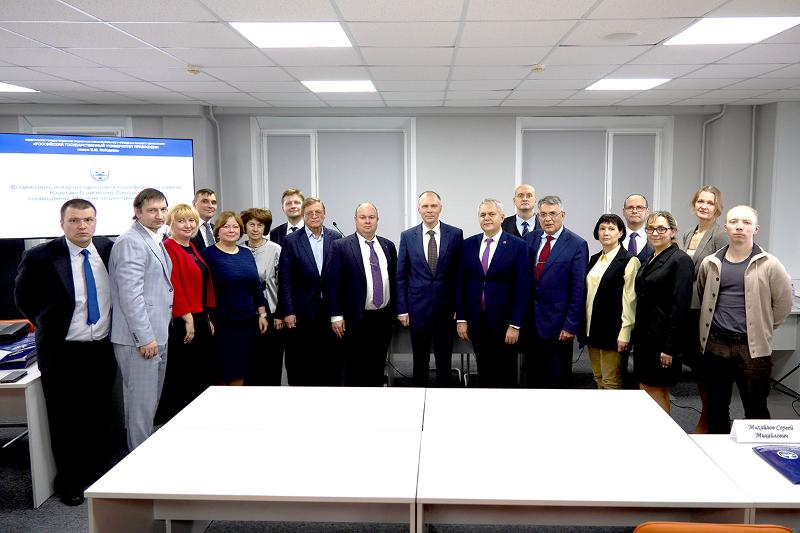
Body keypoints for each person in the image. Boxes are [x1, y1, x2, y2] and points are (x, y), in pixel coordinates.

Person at [14, 198, 116, 506]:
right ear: (62, 223)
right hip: (62, 352)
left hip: (101, 348)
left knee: (99, 414)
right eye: (74, 220)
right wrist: (48, 323)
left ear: (95, 222)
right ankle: (70, 482)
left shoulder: (107, 249)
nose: (82, 226)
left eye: (88, 220)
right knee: (65, 419)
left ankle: (99, 475)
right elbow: (24, 299)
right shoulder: (40, 257)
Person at [698, 205, 793, 434]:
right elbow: (704, 295)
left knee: (756, 407)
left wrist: (762, 328)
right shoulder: (710, 262)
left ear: (755, 229)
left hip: (752, 347)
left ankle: (760, 452)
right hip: (716, 344)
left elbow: (783, 304)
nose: (739, 226)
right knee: (716, 407)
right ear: (726, 227)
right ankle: (718, 449)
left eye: (746, 222)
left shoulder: (770, 264)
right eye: (734, 222)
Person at [109, 188, 173, 451]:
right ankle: (138, 460)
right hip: (139, 339)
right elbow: (131, 296)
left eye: (163, 209)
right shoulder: (131, 242)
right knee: (140, 406)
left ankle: (143, 454)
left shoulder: (154, 238)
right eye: (152, 210)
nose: (159, 215)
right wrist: (145, 338)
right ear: (137, 212)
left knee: (149, 404)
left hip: (157, 333)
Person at [456, 199, 528, 388]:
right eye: (482, 215)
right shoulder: (468, 245)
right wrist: (461, 319)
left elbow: (523, 287)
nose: (486, 218)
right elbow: (461, 284)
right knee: (484, 371)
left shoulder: (518, 245)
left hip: (505, 324)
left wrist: (515, 324)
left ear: (502, 217)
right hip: (477, 322)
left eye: (491, 214)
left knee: (506, 374)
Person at [396, 191, 463, 387]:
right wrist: (402, 309)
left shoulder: (455, 234)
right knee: (419, 358)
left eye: (433, 206)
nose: (429, 210)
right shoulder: (407, 236)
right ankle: (419, 393)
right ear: (419, 209)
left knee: (444, 359)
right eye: (425, 206)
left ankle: (444, 394)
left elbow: (459, 275)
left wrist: (459, 308)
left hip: (446, 309)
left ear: (440, 208)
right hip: (417, 309)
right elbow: (401, 276)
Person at [156, 204, 216, 423]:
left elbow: (200, 283)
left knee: (201, 371)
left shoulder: (191, 246)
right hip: (183, 319)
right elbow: (174, 284)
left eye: (192, 221)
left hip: (199, 315)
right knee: (185, 374)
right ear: (171, 223)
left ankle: (199, 418)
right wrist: (187, 316)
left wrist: (206, 316)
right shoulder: (169, 247)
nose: (188, 225)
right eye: (181, 221)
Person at [327, 203, 397, 387]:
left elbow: (394, 280)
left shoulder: (388, 246)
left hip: (382, 318)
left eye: (371, 217)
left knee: (377, 365)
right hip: (354, 319)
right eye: (363, 217)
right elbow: (333, 283)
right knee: (354, 368)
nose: (367, 221)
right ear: (355, 220)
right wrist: (336, 315)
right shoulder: (340, 246)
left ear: (377, 220)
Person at [524, 195, 588, 389]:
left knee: (557, 381)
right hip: (531, 323)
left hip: (559, 325)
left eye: (553, 213)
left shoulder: (577, 244)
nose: (548, 219)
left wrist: (570, 326)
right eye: (543, 214)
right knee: (532, 378)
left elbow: (578, 289)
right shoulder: (531, 238)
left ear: (563, 215)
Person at [632, 210, 694, 413]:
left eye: (661, 228)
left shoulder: (680, 260)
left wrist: (670, 348)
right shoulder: (651, 257)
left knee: (655, 388)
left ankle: (662, 430)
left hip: (662, 340)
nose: (655, 233)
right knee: (646, 387)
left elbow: (680, 307)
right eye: (650, 228)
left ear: (673, 231)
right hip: (645, 337)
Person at [679, 185, 729, 433]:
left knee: (707, 370)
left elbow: (723, 276)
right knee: (698, 369)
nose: (704, 206)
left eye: (710, 202)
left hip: (706, 311)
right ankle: (706, 418)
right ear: (694, 204)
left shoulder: (721, 235)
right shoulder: (689, 233)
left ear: (717, 208)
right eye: (701, 201)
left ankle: (707, 420)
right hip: (687, 309)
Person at [278, 198, 342, 385]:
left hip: (329, 312)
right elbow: (284, 280)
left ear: (324, 214)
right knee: (301, 363)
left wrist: (338, 313)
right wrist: (288, 311)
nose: (314, 216)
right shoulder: (291, 241)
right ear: (303, 216)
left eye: (318, 212)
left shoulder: (336, 238)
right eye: (309, 213)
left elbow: (340, 278)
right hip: (301, 312)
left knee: (330, 362)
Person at [201, 211, 267, 385]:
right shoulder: (208, 254)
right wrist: (206, 318)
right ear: (218, 230)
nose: (231, 230)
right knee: (222, 370)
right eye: (226, 226)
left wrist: (262, 314)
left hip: (246, 321)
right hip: (221, 322)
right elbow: (202, 290)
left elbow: (256, 285)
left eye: (235, 226)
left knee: (241, 368)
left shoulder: (246, 253)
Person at [579, 214, 640, 390]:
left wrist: (625, 333)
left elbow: (630, 301)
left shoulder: (629, 260)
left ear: (620, 233)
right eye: (602, 228)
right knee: (598, 378)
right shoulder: (594, 259)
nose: (606, 233)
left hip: (613, 331)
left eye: (612, 229)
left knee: (611, 382)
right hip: (591, 328)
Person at [241, 207, 283, 386]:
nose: (255, 229)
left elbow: (284, 284)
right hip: (247, 314)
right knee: (250, 362)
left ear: (265, 227)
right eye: (251, 224)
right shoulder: (238, 249)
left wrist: (281, 313)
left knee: (271, 362)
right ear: (245, 226)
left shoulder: (275, 249)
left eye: (260, 225)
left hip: (272, 311)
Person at [621, 194, 653, 264]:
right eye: (630, 207)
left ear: (647, 211)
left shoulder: (655, 237)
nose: (634, 211)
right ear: (623, 211)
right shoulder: (616, 237)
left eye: (639, 207)